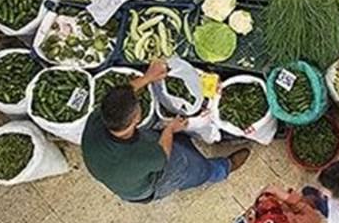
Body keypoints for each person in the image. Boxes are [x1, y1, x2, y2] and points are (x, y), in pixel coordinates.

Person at [81, 62, 250, 203]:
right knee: (188, 166)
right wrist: (170, 129)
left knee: (173, 143)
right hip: (150, 184)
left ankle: (184, 144)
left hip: (118, 169)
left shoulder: (98, 118)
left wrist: (148, 77)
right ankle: (221, 169)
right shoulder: (141, 156)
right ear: (136, 119)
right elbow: (163, 153)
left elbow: (120, 96)